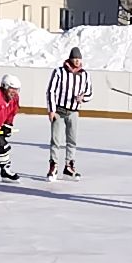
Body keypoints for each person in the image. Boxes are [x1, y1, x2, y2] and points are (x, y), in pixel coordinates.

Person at [45, 47, 93, 180]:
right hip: (59, 111)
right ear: (70, 59)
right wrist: (51, 110)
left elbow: (90, 93)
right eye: (75, 58)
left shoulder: (85, 75)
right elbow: (51, 91)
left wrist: (83, 98)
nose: (77, 61)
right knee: (56, 140)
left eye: (79, 59)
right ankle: (53, 166)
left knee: (72, 140)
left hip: (74, 112)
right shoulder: (59, 72)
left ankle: (69, 166)